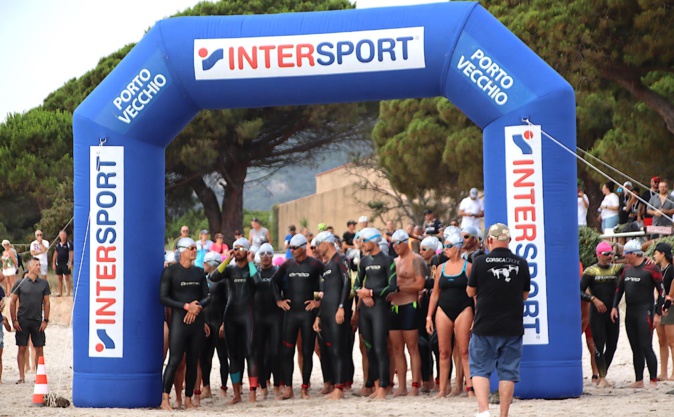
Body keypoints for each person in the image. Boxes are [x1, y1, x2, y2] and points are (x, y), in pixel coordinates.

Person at [467, 223, 530, 417]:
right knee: (508, 373)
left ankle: (484, 410)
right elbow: (525, 295)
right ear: (509, 240)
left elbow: (470, 291)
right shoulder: (521, 263)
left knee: (480, 369)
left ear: (489, 240)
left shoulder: (480, 262)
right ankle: (504, 414)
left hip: (485, 324)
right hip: (512, 324)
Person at [271, 233, 323, 399]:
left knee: (307, 352)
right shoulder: (288, 264)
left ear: (302, 248)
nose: (291, 250)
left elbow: (329, 281)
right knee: (287, 352)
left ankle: (305, 388)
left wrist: (318, 302)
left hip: (307, 314)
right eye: (290, 247)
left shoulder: (314, 264)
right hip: (291, 314)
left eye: (294, 248)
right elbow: (273, 281)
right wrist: (279, 300)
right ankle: (288, 388)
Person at [159, 237, 210, 411]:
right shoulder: (171, 272)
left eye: (196, 248)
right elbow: (163, 298)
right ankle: (165, 398)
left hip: (197, 322)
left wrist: (197, 307)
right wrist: (186, 306)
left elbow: (208, 296)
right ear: (181, 250)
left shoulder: (199, 272)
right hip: (179, 322)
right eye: (192, 248)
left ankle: (188, 399)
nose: (195, 251)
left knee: (193, 361)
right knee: (174, 360)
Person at [211, 238, 261, 404]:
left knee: (250, 352)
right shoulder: (230, 269)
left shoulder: (252, 268)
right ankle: (237, 394)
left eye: (241, 248)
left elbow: (257, 283)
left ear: (247, 250)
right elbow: (213, 276)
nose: (237, 251)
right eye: (235, 248)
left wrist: (251, 261)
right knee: (233, 355)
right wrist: (227, 259)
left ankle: (252, 393)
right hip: (231, 315)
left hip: (248, 315)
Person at [610, 239, 664, 388]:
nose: (623, 255)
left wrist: (658, 314)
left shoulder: (651, 268)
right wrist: (614, 307)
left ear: (634, 254)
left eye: (626, 253)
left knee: (646, 346)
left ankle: (653, 380)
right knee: (635, 348)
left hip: (645, 312)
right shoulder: (627, 268)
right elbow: (619, 289)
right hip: (630, 313)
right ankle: (639, 380)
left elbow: (661, 292)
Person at [427, 233, 475, 397]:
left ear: (457, 248)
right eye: (444, 246)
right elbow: (435, 294)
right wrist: (429, 316)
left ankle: (470, 388)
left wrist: (477, 316)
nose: (445, 249)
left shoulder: (468, 267)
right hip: (443, 309)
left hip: (463, 309)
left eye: (448, 246)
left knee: (464, 351)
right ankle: (443, 389)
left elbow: (474, 295)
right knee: (443, 352)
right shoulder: (441, 268)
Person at [353, 227, 397, 400]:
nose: (362, 244)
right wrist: (364, 295)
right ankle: (376, 385)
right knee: (369, 348)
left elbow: (392, 286)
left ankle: (383, 388)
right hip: (366, 309)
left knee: (380, 348)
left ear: (374, 241)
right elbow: (356, 285)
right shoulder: (364, 261)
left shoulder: (387, 260)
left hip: (379, 308)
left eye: (364, 240)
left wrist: (370, 293)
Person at [312, 231, 352, 400]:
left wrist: (341, 307)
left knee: (338, 349)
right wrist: (319, 316)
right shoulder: (327, 265)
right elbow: (326, 293)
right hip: (327, 312)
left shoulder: (341, 259)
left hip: (337, 311)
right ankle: (335, 385)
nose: (316, 249)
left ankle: (339, 388)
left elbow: (347, 283)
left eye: (317, 245)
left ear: (326, 243)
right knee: (329, 350)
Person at [580, 241, 623, 387]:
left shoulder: (616, 269)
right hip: (597, 313)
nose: (609, 256)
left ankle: (603, 373)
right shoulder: (590, 271)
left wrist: (647, 258)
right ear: (599, 255)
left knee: (612, 345)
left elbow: (635, 265)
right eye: (606, 254)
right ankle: (602, 377)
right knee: (598, 345)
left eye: (611, 253)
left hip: (613, 312)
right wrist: (593, 299)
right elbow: (578, 291)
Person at [388, 230, 425, 397]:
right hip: (394, 307)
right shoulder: (394, 261)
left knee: (412, 347)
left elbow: (419, 285)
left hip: (409, 305)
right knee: (397, 348)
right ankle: (402, 386)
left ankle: (415, 386)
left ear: (405, 242)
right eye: (392, 243)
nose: (394, 246)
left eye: (397, 243)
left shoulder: (416, 260)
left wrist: (398, 288)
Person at [9, 258, 51, 384]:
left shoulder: (43, 283)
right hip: (22, 320)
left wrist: (46, 320)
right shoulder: (20, 283)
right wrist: (14, 320)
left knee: (39, 348)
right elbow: (12, 301)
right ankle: (21, 376)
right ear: (30, 267)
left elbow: (47, 302)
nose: (39, 267)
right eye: (36, 265)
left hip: (37, 320)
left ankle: (39, 375)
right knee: (22, 347)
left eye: (39, 264)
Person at [253, 243, 283, 399]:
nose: (265, 257)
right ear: (259, 256)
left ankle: (277, 385)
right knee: (259, 353)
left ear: (272, 256)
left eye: (268, 253)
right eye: (262, 254)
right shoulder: (255, 272)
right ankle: (263, 386)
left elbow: (286, 290)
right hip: (259, 317)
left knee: (275, 353)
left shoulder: (277, 272)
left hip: (275, 316)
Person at [199, 251, 229, 400]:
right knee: (205, 357)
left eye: (205, 262)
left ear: (211, 264)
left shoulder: (223, 281)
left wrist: (224, 322)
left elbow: (229, 302)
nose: (203, 264)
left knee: (223, 357)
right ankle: (206, 387)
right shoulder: (203, 280)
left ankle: (223, 387)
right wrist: (203, 322)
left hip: (219, 323)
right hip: (207, 323)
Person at [418, 236, 439, 393]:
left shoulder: (438, 263)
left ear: (432, 250)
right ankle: (427, 379)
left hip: (435, 307)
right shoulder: (420, 264)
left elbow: (435, 283)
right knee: (422, 344)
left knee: (437, 345)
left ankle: (440, 380)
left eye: (424, 249)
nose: (420, 252)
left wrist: (424, 287)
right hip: (421, 307)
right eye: (420, 249)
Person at [653, 242, 674, 380]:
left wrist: (670, 297)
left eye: (656, 253)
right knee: (662, 340)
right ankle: (663, 372)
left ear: (663, 254)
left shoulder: (671, 269)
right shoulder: (660, 269)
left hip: (670, 305)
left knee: (672, 341)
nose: (654, 255)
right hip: (660, 305)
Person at [52, 231, 74, 296]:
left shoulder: (69, 243)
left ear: (66, 235)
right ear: (59, 236)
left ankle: (68, 292)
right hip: (59, 263)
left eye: (64, 235)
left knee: (67, 277)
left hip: (66, 263)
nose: (63, 236)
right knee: (59, 278)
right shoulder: (58, 244)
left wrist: (70, 262)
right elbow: (55, 254)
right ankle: (60, 292)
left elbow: (71, 253)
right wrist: (53, 263)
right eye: (61, 235)